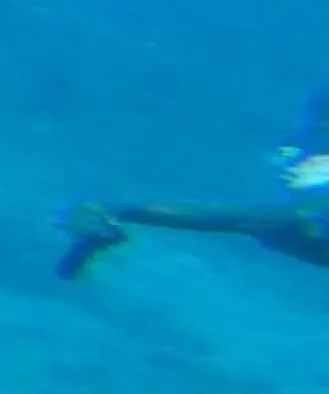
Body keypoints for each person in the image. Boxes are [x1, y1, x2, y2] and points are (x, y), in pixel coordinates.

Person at [54, 85, 329, 279]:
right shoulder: (301, 220)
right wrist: (116, 212)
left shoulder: (299, 222)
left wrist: (114, 213)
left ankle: (102, 216)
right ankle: (102, 215)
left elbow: (222, 218)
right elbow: (219, 217)